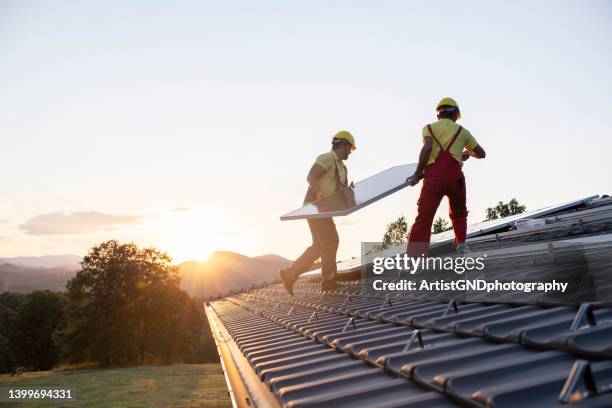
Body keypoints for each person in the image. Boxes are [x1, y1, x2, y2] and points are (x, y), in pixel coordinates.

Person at [406, 97, 486, 256]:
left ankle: (413, 258)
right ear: (456, 115)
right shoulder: (463, 132)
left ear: (438, 115)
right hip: (455, 179)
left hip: (432, 180)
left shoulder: (428, 128)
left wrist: (417, 173)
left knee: (424, 217)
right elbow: (481, 153)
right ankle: (461, 245)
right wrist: (467, 152)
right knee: (459, 213)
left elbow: (427, 148)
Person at [280, 131, 356, 295]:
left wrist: (349, 193)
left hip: (323, 209)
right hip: (315, 207)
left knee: (319, 246)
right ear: (342, 144)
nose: (350, 152)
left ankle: (290, 273)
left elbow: (339, 191)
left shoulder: (342, 168)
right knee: (330, 240)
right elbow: (311, 176)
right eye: (350, 148)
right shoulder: (327, 158)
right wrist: (319, 192)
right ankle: (328, 281)